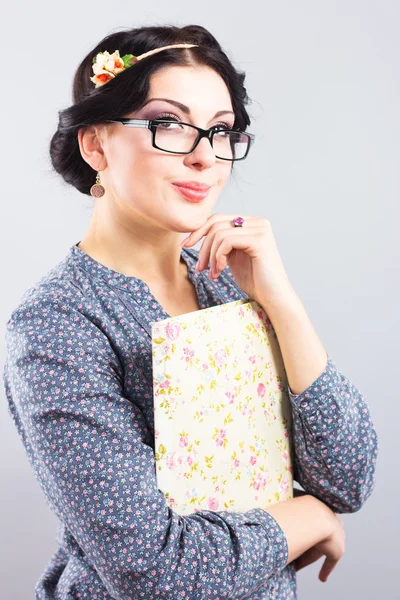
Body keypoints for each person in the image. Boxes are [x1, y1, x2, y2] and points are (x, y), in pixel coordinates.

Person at [3, 24, 378, 600]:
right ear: (96, 144)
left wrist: (280, 301)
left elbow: (348, 477)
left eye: (222, 130)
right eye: (168, 124)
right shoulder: (58, 323)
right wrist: (309, 518)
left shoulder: (230, 278)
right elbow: (155, 573)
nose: (206, 157)